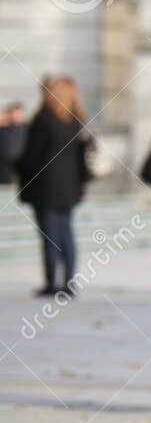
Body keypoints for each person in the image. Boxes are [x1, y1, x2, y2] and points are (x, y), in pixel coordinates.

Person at [16, 77, 93, 297]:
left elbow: (30, 157)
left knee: (49, 236)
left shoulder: (44, 120)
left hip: (45, 187)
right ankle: (69, 283)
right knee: (66, 235)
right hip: (69, 187)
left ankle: (51, 283)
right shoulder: (76, 121)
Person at [0, 102, 27, 183]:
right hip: (5, 165)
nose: (16, 116)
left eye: (18, 114)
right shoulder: (4, 128)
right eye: (14, 113)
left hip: (21, 163)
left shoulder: (28, 128)